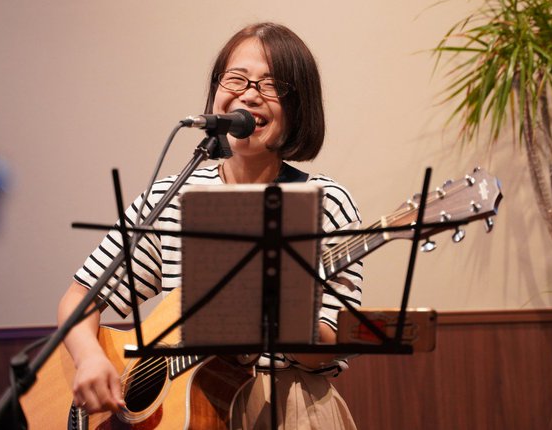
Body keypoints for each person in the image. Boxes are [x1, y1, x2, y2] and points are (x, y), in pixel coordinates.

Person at [57, 22, 363, 429]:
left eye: (271, 85)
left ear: (298, 106)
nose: (249, 94)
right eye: (236, 79)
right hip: (184, 414)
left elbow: (328, 345)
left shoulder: (325, 201)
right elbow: (80, 297)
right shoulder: (172, 197)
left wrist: (282, 317)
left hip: (288, 409)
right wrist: (90, 358)